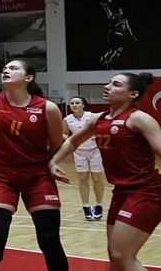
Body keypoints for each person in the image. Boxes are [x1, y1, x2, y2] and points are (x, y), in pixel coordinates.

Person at [50, 73, 161, 271]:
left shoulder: (139, 119)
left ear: (133, 94)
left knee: (122, 256)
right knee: (115, 258)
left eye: (116, 84)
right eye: (109, 82)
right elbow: (73, 141)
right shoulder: (98, 119)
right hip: (121, 191)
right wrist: (53, 161)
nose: (108, 86)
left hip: (146, 192)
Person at [0, 59, 68, 271]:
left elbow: (56, 144)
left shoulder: (48, 108)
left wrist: (51, 164)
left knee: (49, 239)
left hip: (38, 176)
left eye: (13, 68)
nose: (6, 70)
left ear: (28, 78)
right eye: (5, 68)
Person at [61, 96, 105, 220]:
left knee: (97, 178)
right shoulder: (67, 119)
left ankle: (99, 205)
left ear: (83, 105)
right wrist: (70, 140)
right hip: (79, 152)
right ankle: (86, 206)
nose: (74, 105)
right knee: (83, 178)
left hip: (95, 150)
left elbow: (102, 129)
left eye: (77, 103)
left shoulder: (92, 116)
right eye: (72, 103)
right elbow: (64, 133)